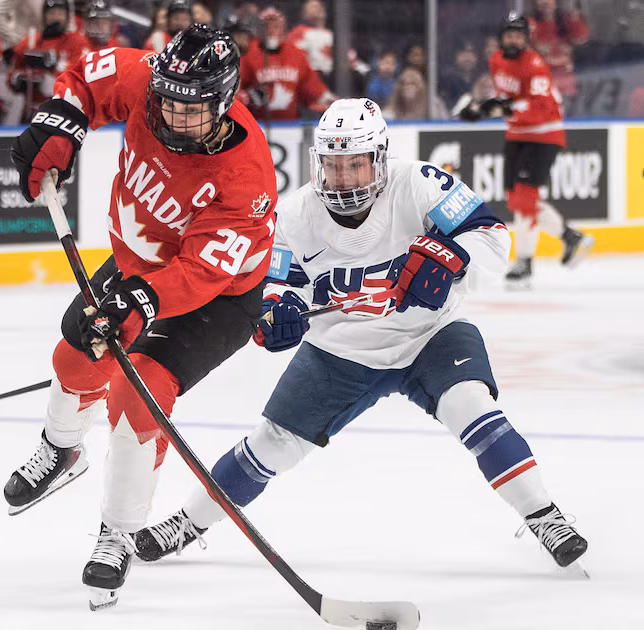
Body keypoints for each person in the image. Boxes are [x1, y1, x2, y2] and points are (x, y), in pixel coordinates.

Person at [132, 98, 590, 579]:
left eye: (355, 163)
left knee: (470, 405)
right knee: (272, 443)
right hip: (341, 351)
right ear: (318, 163)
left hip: (430, 336)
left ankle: (544, 515)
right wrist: (277, 311)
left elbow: (493, 235)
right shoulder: (293, 216)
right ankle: (187, 522)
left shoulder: (419, 182)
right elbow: (273, 286)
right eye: (333, 164)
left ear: (379, 158)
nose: (344, 177)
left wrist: (450, 257)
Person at [4, 24, 277, 609]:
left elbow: (202, 273)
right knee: (73, 355)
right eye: (166, 100)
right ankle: (62, 447)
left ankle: (118, 532)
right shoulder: (151, 80)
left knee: (136, 394)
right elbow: (84, 79)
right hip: (137, 265)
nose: (171, 115)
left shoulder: (245, 179)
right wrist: (59, 124)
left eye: (190, 109)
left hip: (215, 298)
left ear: (223, 102)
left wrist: (136, 305)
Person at [459, 13, 593, 287]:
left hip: (544, 136)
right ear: (501, 38)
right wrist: (481, 108)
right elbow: (507, 99)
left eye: (518, 35)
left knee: (526, 200)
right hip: (517, 135)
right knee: (516, 201)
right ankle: (569, 236)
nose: (513, 40)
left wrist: (501, 109)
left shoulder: (535, 65)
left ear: (526, 38)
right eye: (509, 34)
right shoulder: (496, 61)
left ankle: (525, 262)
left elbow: (541, 109)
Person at [240, 6, 333, 122]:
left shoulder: (296, 54)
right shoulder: (248, 54)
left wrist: (329, 100)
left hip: (290, 126)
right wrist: (246, 97)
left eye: (275, 26)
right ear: (259, 28)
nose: (271, 30)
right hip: (258, 124)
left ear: (283, 27)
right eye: (266, 26)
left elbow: (312, 87)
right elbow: (236, 88)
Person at [8, 0, 87, 120]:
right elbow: (13, 71)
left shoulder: (77, 42)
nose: (55, 17)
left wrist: (54, 66)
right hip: (32, 111)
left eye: (60, 14)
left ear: (67, 16)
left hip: (64, 112)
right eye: (51, 13)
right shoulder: (31, 41)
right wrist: (18, 79)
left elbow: (78, 76)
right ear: (44, 16)